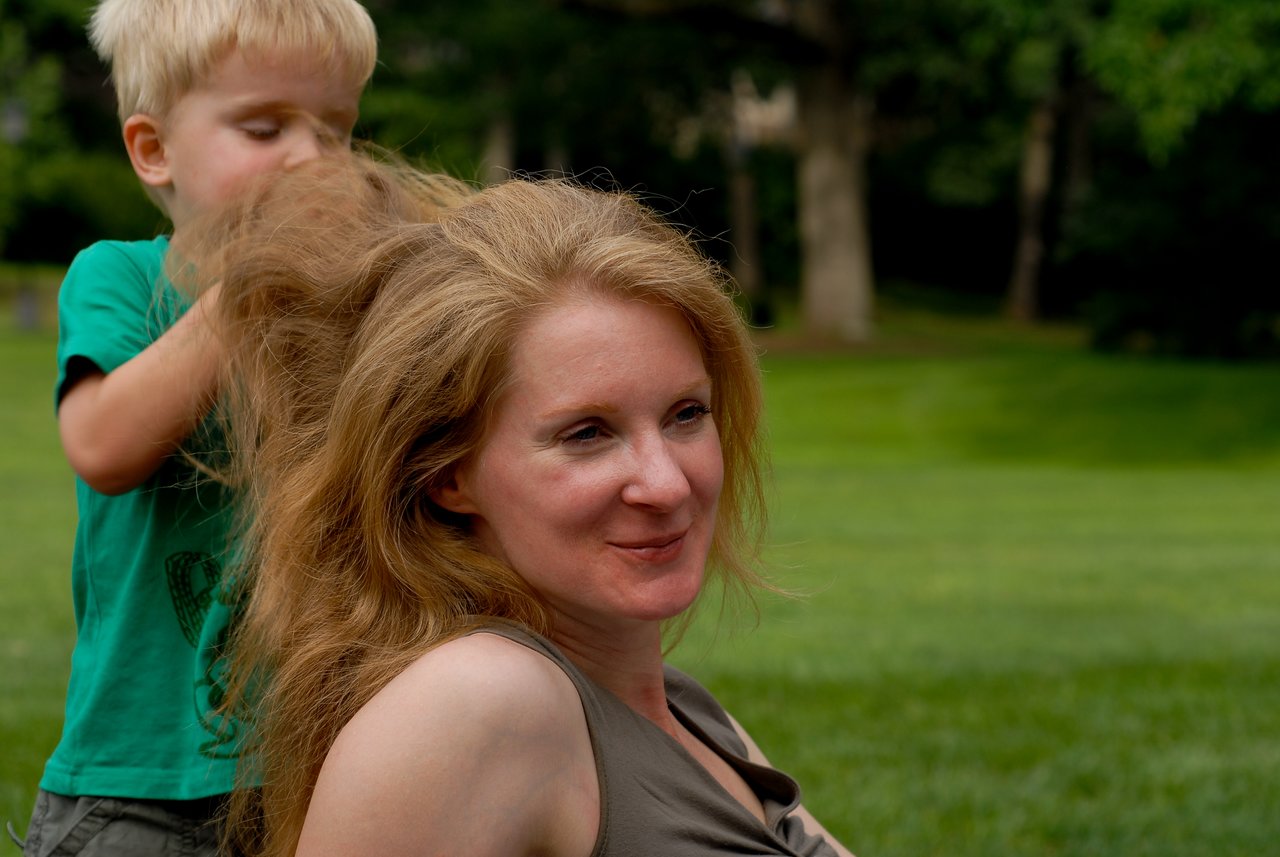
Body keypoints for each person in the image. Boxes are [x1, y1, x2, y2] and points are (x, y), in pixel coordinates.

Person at [203, 152, 857, 857]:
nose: (667, 483)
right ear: (447, 475)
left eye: (686, 414)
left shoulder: (687, 710)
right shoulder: (477, 703)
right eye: (587, 434)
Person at [18, 1, 378, 855]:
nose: (311, 159)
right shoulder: (121, 280)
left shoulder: (356, 307)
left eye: (337, 132)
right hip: (139, 786)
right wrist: (242, 295)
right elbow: (103, 446)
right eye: (264, 128)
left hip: (322, 768)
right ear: (153, 150)